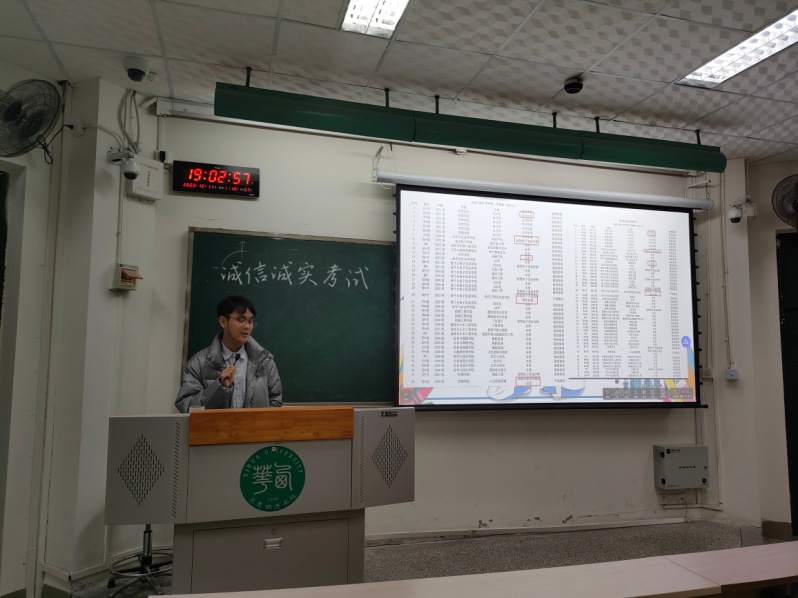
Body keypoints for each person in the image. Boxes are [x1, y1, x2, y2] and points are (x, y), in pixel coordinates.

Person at [175, 295, 283, 412]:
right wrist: (219, 387)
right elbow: (186, 406)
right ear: (223, 322)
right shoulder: (198, 363)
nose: (247, 326)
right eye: (241, 320)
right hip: (216, 425)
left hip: (255, 425)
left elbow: (276, 402)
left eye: (250, 321)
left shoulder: (264, 362)